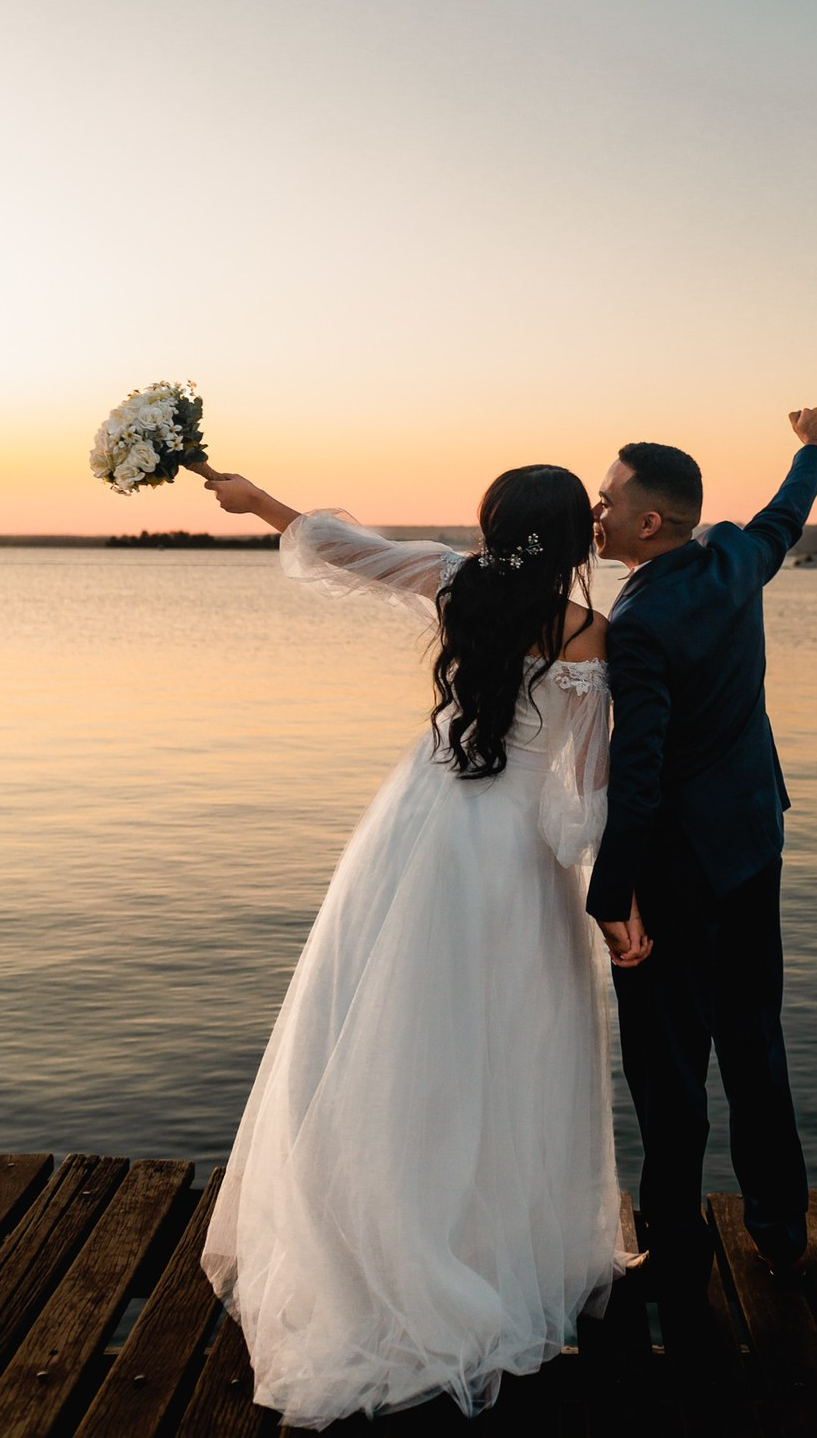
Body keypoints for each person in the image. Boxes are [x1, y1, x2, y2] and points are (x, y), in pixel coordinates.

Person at [198, 465, 634, 1428]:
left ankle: (379, 1230)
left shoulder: (451, 581)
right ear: (570, 540)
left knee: (394, 1035)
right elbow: (586, 793)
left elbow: (336, 546)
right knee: (507, 1046)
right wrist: (606, 892)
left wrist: (253, 497)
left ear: (493, 527)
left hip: (418, 829)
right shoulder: (589, 636)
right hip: (512, 859)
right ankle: (489, 1240)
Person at [586, 407, 817, 1347]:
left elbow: (638, 771)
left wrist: (613, 895)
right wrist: (815, 448)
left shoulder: (639, 623)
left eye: (607, 499)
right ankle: (780, 1231)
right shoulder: (735, 558)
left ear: (650, 523)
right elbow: (784, 516)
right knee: (756, 1041)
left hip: (679, 871)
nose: (596, 511)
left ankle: (679, 1259)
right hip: (752, 844)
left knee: (668, 1073)